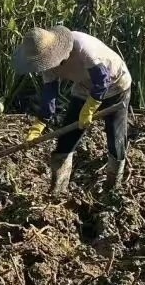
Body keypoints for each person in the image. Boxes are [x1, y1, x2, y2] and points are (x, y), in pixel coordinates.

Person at [12, 25, 132, 195]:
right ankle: (58, 190)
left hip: (116, 85)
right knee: (66, 139)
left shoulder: (83, 47)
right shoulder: (46, 64)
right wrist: (39, 125)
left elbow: (102, 80)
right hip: (83, 88)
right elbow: (49, 95)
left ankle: (113, 188)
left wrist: (89, 108)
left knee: (115, 137)